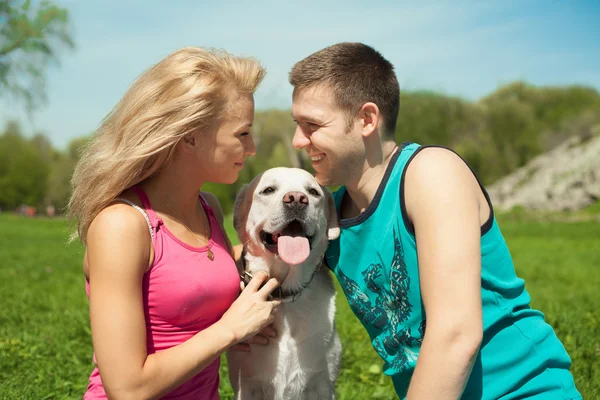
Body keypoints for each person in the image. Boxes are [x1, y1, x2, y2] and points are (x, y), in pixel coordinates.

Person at [289, 42, 581, 400]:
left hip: (522, 391)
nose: (297, 140)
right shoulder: (331, 215)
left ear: (366, 120)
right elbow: (258, 261)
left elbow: (456, 333)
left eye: (311, 125)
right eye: (296, 124)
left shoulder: (429, 174)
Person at [68, 47, 281, 400]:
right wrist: (229, 329)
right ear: (190, 137)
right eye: (242, 134)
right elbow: (127, 388)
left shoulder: (207, 209)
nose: (252, 147)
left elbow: (198, 274)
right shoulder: (122, 226)